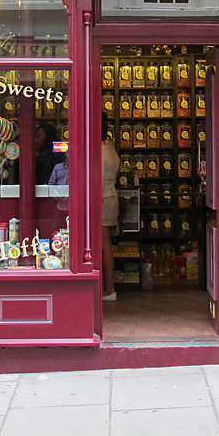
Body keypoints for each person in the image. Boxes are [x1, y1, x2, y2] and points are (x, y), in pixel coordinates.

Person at [100, 113, 120, 302]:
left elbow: (96, 181)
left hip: (102, 198)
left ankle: (109, 289)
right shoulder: (110, 148)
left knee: (104, 244)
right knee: (105, 243)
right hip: (110, 195)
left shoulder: (100, 151)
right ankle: (108, 288)